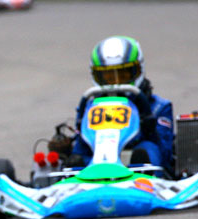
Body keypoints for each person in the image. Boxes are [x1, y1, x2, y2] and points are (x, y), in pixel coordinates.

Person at [70, 36, 175, 172]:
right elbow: (81, 145)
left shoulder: (158, 107)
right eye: (108, 77)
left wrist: (149, 127)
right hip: (96, 158)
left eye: (123, 75)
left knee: (146, 152)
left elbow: (165, 155)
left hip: (138, 157)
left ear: (138, 70)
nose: (116, 83)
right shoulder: (89, 106)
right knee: (75, 160)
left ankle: (144, 181)